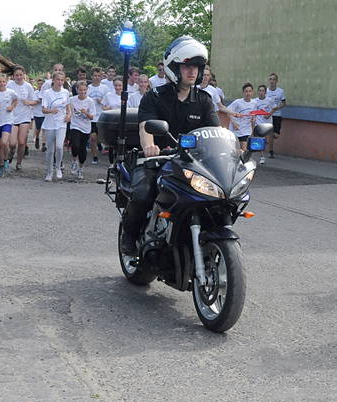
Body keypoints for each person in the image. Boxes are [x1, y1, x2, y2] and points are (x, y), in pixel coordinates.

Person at [120, 36, 219, 255]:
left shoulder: (204, 100)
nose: (192, 71)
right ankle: (129, 234)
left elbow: (216, 132)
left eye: (196, 66)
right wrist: (150, 146)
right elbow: (146, 127)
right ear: (174, 67)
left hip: (193, 163)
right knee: (144, 192)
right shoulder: (154, 97)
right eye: (187, 66)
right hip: (158, 160)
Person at [41, 71, 72, 181]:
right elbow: (43, 110)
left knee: (59, 146)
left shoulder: (65, 93)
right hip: (50, 124)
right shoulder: (47, 93)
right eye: (58, 80)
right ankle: (49, 172)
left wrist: (69, 115)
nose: (60, 82)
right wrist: (51, 110)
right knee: (50, 150)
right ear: (53, 80)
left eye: (62, 80)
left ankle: (58, 167)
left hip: (61, 123)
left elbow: (68, 107)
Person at [7, 65, 35, 171]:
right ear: (13, 76)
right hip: (12, 116)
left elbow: (35, 101)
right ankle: (11, 152)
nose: (19, 77)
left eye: (20, 75)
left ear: (24, 75)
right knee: (13, 143)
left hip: (25, 116)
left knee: (22, 142)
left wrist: (29, 102)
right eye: (16, 75)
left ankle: (19, 163)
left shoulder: (28, 86)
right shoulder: (9, 85)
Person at [69, 80, 95, 179]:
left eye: (84, 90)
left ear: (87, 90)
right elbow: (68, 110)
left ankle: (80, 168)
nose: (82, 92)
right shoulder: (72, 100)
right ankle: (74, 160)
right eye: (80, 90)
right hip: (75, 126)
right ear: (77, 90)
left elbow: (92, 117)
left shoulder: (90, 101)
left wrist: (86, 113)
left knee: (82, 149)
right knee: (75, 145)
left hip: (86, 128)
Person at [87, 67, 110, 164]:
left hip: (102, 116)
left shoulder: (105, 88)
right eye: (95, 76)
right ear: (92, 77)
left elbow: (109, 102)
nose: (97, 78)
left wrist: (102, 102)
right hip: (92, 116)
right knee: (92, 138)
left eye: (99, 76)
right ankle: (95, 156)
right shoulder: (88, 88)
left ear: (101, 77)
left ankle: (99, 144)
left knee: (100, 137)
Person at [227, 83, 258, 150]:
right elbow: (228, 112)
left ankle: (244, 160)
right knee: (235, 151)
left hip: (246, 131)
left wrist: (253, 131)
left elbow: (253, 117)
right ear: (243, 93)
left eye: (250, 91)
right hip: (235, 130)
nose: (248, 93)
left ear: (252, 92)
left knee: (244, 149)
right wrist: (234, 123)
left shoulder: (254, 103)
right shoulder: (237, 102)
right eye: (246, 91)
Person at [265, 73, 286, 159]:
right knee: (270, 133)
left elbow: (284, 103)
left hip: (277, 115)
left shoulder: (280, 91)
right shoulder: (265, 91)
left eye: (274, 79)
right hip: (268, 116)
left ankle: (266, 138)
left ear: (277, 81)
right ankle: (271, 152)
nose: (272, 81)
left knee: (275, 135)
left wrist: (277, 108)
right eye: (270, 79)